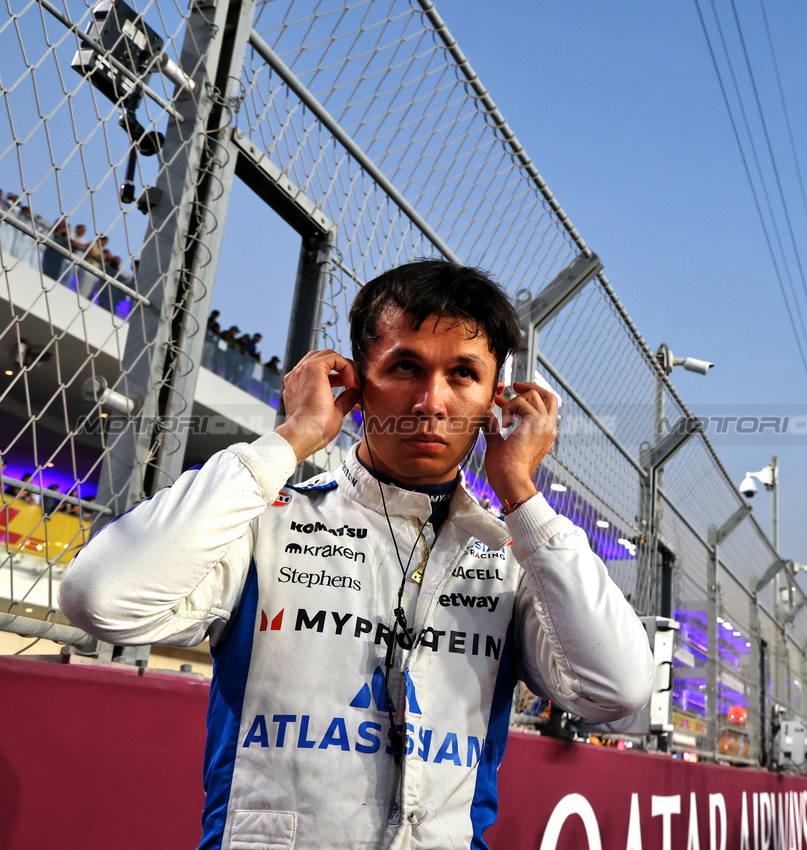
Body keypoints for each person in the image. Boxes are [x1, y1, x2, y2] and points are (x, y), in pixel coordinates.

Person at [60, 259, 656, 850]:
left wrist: (522, 495)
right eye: (405, 366)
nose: (431, 401)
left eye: (462, 375)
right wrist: (293, 438)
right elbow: (100, 599)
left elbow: (620, 690)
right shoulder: (266, 521)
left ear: (495, 400)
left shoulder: (514, 554)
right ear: (356, 382)